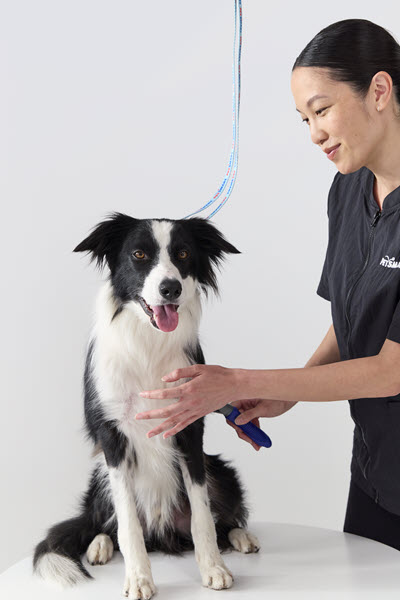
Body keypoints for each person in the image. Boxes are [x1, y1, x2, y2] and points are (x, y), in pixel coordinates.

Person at [135, 19, 400, 551]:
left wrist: (233, 381)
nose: (314, 134)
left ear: (378, 90)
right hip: (377, 470)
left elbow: (391, 369)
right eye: (304, 119)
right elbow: (354, 322)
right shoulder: (348, 191)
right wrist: (287, 392)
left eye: (321, 110)